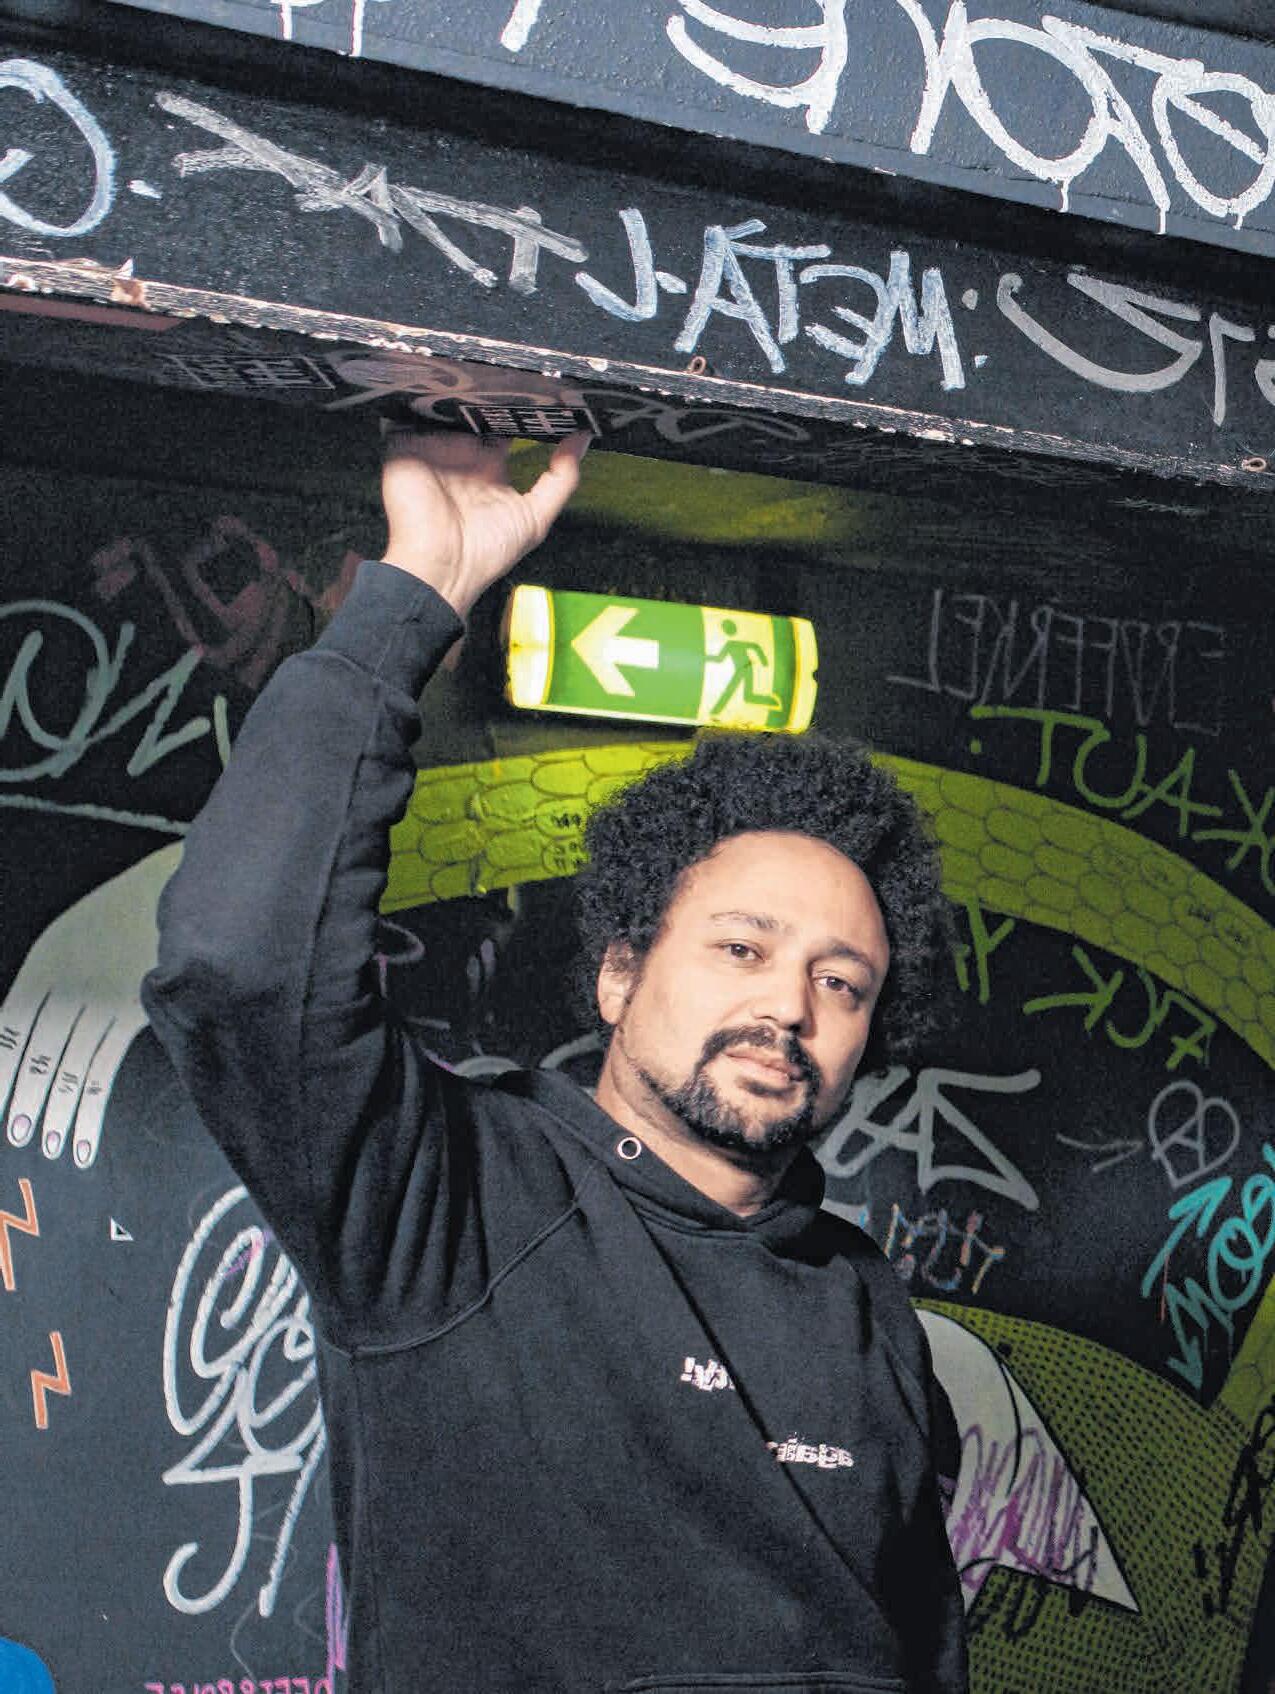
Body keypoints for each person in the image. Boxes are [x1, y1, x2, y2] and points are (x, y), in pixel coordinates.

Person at [143, 429, 968, 1694]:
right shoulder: (452, 1198)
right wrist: (417, 591)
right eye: (741, 947)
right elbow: (240, 961)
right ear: (620, 973)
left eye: (840, 980)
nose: (788, 1005)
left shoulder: (865, 1305)